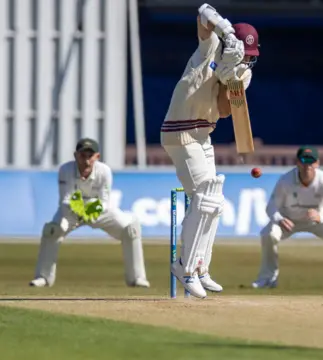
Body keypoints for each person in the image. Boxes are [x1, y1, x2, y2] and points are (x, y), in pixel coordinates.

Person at [160, 3, 260, 299]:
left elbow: (226, 111)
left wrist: (230, 79)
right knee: (204, 196)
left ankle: (200, 266)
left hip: (204, 134)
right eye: (247, 56)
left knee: (215, 201)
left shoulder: (242, 73)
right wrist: (226, 32)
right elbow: (203, 11)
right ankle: (183, 266)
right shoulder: (210, 46)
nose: (249, 63)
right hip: (180, 130)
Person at [30, 138, 149, 288]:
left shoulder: (104, 171)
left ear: (97, 157)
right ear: (75, 155)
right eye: (82, 155)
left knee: (131, 229)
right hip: (72, 212)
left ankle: (137, 278)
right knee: (52, 230)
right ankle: (43, 277)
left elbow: (104, 200)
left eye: (90, 156)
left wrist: (92, 209)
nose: (86, 160)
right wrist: (78, 209)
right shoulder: (65, 170)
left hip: (97, 211)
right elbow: (65, 199)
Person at [252, 146, 323, 290]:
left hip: (317, 221)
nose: (307, 165)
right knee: (268, 233)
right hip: (289, 221)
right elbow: (271, 207)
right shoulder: (285, 180)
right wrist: (280, 219)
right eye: (304, 161)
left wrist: (322, 217)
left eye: (311, 161)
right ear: (297, 163)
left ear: (317, 163)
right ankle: (268, 279)